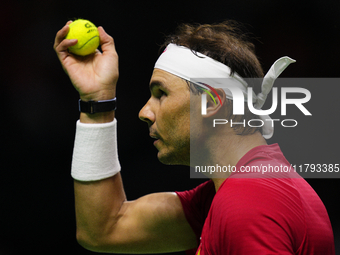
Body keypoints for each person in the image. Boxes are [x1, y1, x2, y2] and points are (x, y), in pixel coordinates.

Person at [54, 20, 335, 254]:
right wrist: (97, 100)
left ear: (211, 102)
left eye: (161, 93)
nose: (144, 112)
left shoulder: (248, 204)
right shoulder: (235, 192)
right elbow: (105, 229)